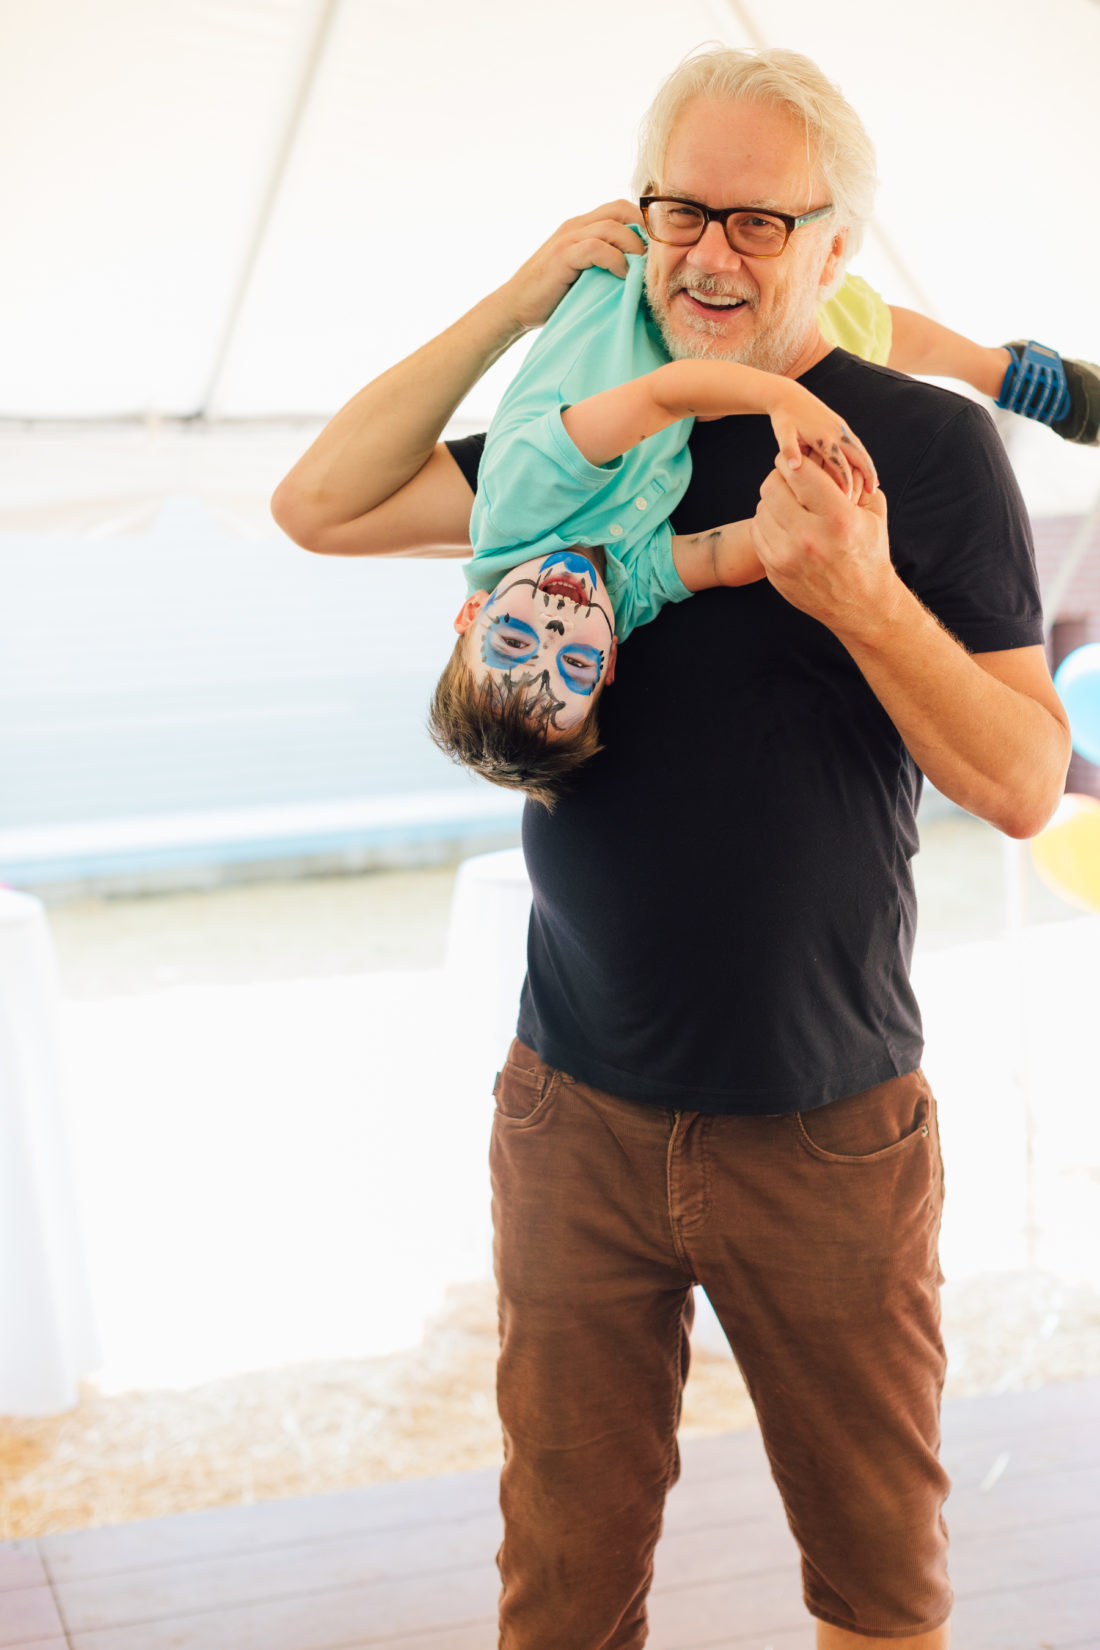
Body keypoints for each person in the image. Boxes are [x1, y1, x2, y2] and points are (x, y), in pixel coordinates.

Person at [272, 46, 1075, 1650]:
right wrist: (514, 301)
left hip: (831, 1131)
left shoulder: (921, 452)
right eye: (679, 210)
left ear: (837, 249)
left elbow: (1023, 780)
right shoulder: (592, 433)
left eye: (759, 222)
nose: (709, 254)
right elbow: (323, 501)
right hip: (573, 1114)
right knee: (561, 1599)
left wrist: (853, 587)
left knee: (879, 1592)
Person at [433, 291, 879, 805]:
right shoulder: (617, 603)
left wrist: (784, 400)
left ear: (473, 610)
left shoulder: (519, 500)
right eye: (577, 665)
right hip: (691, 329)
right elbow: (712, 559)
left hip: (636, 285)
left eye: (514, 643)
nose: (557, 627)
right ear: (612, 660)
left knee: (855, 315)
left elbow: (665, 396)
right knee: (865, 329)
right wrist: (814, 529)